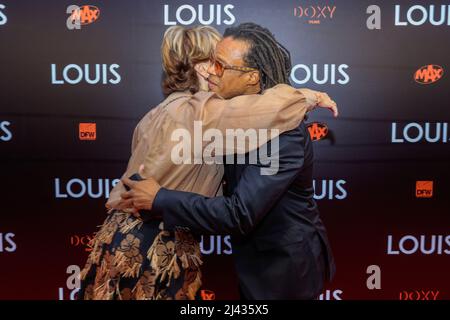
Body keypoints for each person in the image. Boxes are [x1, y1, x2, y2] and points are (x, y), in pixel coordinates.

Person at [79, 25, 337, 300]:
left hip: (284, 266)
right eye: (211, 62)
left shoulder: (271, 130)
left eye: (220, 64)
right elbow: (267, 107)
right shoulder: (200, 113)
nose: (213, 71)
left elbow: (239, 213)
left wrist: (160, 197)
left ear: (251, 75)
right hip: (149, 244)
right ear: (199, 67)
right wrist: (308, 96)